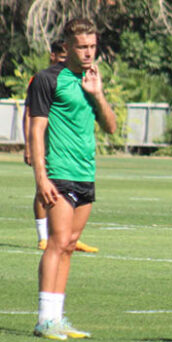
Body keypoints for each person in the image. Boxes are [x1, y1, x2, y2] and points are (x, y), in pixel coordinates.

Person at [28, 18, 116, 340]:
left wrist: (98, 94)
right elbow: (37, 130)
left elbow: (111, 126)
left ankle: (57, 317)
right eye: (82, 46)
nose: (89, 52)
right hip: (60, 173)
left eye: (93, 46)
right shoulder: (48, 79)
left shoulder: (91, 79)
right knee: (56, 242)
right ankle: (44, 320)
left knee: (68, 246)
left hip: (86, 174)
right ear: (67, 46)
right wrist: (41, 176)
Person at [23, 40, 99, 253]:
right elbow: (30, 114)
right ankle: (43, 236)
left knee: (58, 190)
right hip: (48, 142)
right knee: (44, 187)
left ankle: (69, 235)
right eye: (61, 55)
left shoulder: (77, 78)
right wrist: (29, 145)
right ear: (53, 55)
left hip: (68, 146)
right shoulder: (43, 78)